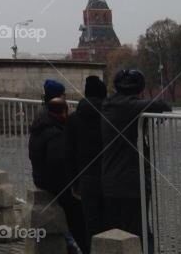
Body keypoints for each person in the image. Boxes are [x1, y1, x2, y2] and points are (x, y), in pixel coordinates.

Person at [100, 69, 171, 242]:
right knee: (140, 233)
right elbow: (161, 105)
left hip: (111, 179)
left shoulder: (109, 104)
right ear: (138, 89)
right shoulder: (129, 106)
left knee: (119, 230)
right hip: (130, 182)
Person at [29, 96, 85, 252]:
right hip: (53, 181)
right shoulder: (55, 133)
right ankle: (76, 243)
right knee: (76, 209)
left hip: (40, 177)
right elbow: (58, 166)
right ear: (63, 112)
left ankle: (70, 239)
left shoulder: (40, 126)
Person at [66, 75, 108, 254]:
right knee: (111, 222)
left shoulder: (74, 119)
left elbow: (69, 154)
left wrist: (73, 183)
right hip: (109, 176)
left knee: (91, 223)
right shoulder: (110, 117)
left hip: (86, 178)